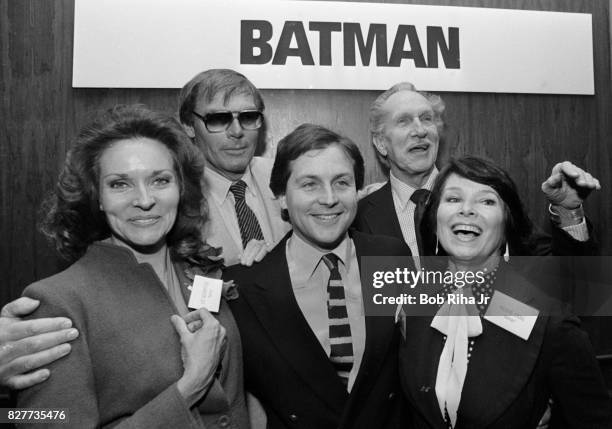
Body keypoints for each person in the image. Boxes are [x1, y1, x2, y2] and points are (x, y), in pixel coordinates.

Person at [15, 105, 249, 428]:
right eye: (120, 184)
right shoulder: (59, 303)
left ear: (180, 187)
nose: (144, 200)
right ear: (97, 196)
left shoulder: (200, 273)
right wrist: (189, 387)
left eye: (160, 180)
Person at [398, 156, 611, 428]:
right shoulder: (413, 306)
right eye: (452, 199)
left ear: (507, 223)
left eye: (486, 201)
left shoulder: (549, 322)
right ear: (434, 218)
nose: (467, 210)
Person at [222, 124, 411, 428]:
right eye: (309, 184)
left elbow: (430, 347)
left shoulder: (389, 258)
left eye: (342, 183)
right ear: (282, 197)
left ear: (358, 191)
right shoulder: (244, 287)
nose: (328, 198)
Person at [353, 82, 600, 260]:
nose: (420, 130)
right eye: (403, 121)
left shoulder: (489, 195)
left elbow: (569, 281)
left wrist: (567, 211)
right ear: (381, 143)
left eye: (426, 118)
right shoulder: (358, 215)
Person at [179, 69, 290, 267]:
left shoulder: (290, 176)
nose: (237, 131)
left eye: (248, 117)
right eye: (218, 119)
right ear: (188, 125)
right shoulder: (173, 197)